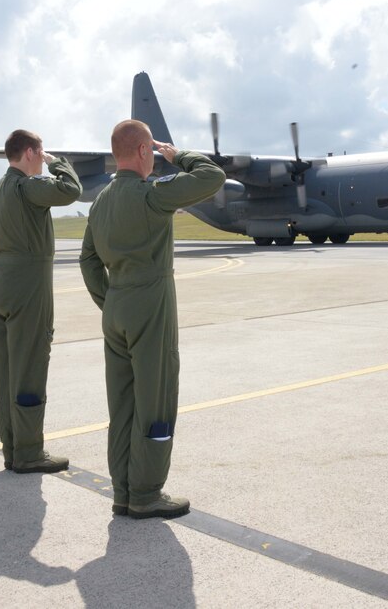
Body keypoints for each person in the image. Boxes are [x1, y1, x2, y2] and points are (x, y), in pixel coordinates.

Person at [79, 120, 224, 519]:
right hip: (150, 304)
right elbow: (212, 176)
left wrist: (108, 300)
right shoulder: (151, 195)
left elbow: (87, 258)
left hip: (117, 307)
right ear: (145, 151)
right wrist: (179, 156)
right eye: (153, 152)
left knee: (122, 404)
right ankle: (146, 494)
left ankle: (123, 492)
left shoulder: (102, 200)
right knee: (156, 399)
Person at [0, 129, 82, 472]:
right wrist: (60, 163)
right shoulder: (25, 187)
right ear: (30, 152)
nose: (43, 159)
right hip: (27, 286)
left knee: (6, 372)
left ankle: (12, 448)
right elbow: (70, 190)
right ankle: (28, 452)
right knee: (30, 367)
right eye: (41, 153)